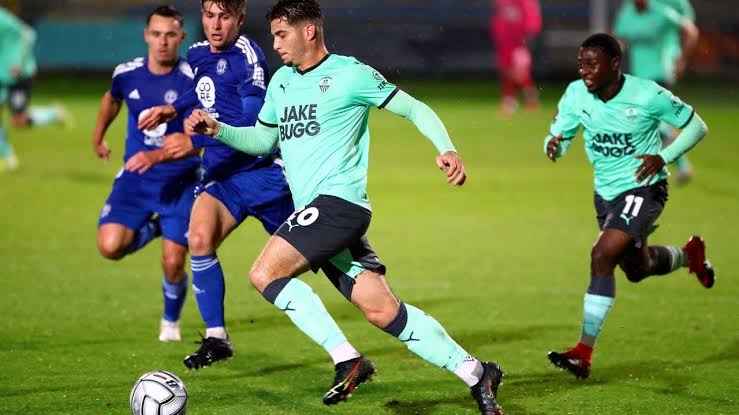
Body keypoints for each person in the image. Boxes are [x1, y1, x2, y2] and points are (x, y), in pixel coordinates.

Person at [184, 1, 505, 413]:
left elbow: (414, 108)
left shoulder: (350, 74)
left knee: (264, 273)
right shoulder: (282, 82)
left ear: (309, 32)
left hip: (340, 205)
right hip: (318, 214)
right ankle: (477, 374)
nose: (275, 44)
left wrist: (446, 149)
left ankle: (346, 358)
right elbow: (263, 142)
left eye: (282, 34)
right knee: (383, 310)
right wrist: (218, 128)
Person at [140, 0, 365, 376]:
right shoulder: (196, 53)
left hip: (264, 175)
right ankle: (217, 337)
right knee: (198, 237)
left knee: (329, 259)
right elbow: (202, 91)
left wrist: (198, 142)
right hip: (222, 177)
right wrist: (172, 109)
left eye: (225, 17)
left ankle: (370, 302)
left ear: (239, 20)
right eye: (209, 16)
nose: (216, 25)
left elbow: (251, 119)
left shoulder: (248, 57)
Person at [543, 33, 714, 380]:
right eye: (581, 63)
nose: (584, 71)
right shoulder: (576, 95)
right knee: (637, 268)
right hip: (605, 193)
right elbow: (559, 138)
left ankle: (582, 353)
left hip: (644, 188)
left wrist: (664, 157)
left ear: (615, 64)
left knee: (602, 255)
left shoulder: (647, 94)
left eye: (592, 64)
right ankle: (688, 255)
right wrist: (553, 146)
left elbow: (698, 126)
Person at [92, 5, 200, 342]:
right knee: (109, 247)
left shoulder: (194, 80)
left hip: (180, 182)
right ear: (146, 36)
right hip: (136, 178)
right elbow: (111, 100)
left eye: (170, 35)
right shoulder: (126, 73)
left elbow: (200, 139)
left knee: (173, 262)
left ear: (182, 37)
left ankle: (170, 322)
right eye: (156, 34)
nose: (162, 42)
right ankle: (156, 228)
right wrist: (98, 136)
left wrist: (157, 155)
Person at [614, 0, 699, 183]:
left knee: (646, 120)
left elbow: (690, 31)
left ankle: (654, 168)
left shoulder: (662, 12)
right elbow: (619, 38)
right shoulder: (628, 12)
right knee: (653, 124)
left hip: (661, 72)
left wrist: (682, 59)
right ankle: (680, 164)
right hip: (641, 76)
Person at [0, 6, 68, 130]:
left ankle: (52, 114)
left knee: (19, 120)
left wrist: (18, 63)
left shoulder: (2, 19)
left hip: (19, 75)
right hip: (5, 74)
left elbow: (28, 34)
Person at [489, 0, 541, 116]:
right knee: (506, 71)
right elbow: (498, 17)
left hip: (520, 42)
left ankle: (530, 98)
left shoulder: (526, 2)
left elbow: (532, 20)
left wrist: (527, 39)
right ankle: (509, 101)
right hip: (504, 42)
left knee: (520, 72)